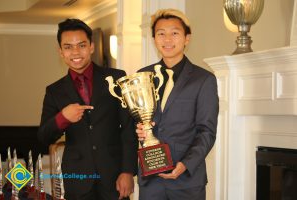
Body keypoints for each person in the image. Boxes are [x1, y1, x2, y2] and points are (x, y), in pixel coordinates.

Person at [38, 18, 138, 200]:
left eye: (81, 45)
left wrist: (128, 171)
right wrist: (63, 117)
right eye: (68, 47)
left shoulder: (117, 78)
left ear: (91, 46)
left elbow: (129, 128)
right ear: (60, 52)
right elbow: (44, 136)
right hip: (77, 179)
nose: (75, 52)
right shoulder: (54, 91)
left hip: (115, 177)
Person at [136, 9, 219, 200]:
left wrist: (185, 164)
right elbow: (136, 118)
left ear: (187, 38)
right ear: (154, 39)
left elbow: (207, 131)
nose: (167, 40)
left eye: (174, 33)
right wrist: (139, 129)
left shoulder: (204, 80)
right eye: (161, 34)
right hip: (151, 180)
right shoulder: (143, 76)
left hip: (187, 181)